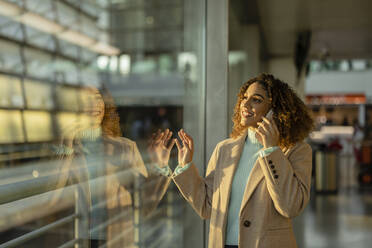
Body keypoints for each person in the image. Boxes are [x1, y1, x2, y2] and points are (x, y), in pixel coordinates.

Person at [171, 73, 314, 248]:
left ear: (275, 110)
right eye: (244, 98)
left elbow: (290, 207)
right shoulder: (224, 150)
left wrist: (271, 150)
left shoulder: (296, 151)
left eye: (256, 99)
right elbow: (207, 207)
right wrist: (185, 166)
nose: (245, 105)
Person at [49, 86, 172, 248]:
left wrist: (159, 166)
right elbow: (51, 199)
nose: (94, 104)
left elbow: (145, 205)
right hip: (75, 239)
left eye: (97, 97)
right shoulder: (64, 147)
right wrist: (67, 143)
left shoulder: (125, 148)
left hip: (116, 240)